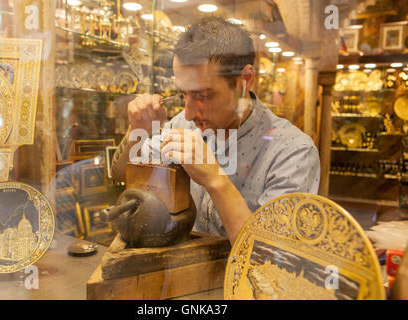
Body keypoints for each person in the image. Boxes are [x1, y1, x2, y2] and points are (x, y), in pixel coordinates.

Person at [111, 16, 320, 244]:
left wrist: (216, 180)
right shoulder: (183, 124)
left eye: (203, 96)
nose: (189, 113)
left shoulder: (294, 151)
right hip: (181, 272)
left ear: (245, 80)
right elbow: (120, 175)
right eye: (184, 94)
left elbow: (271, 257)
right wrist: (137, 131)